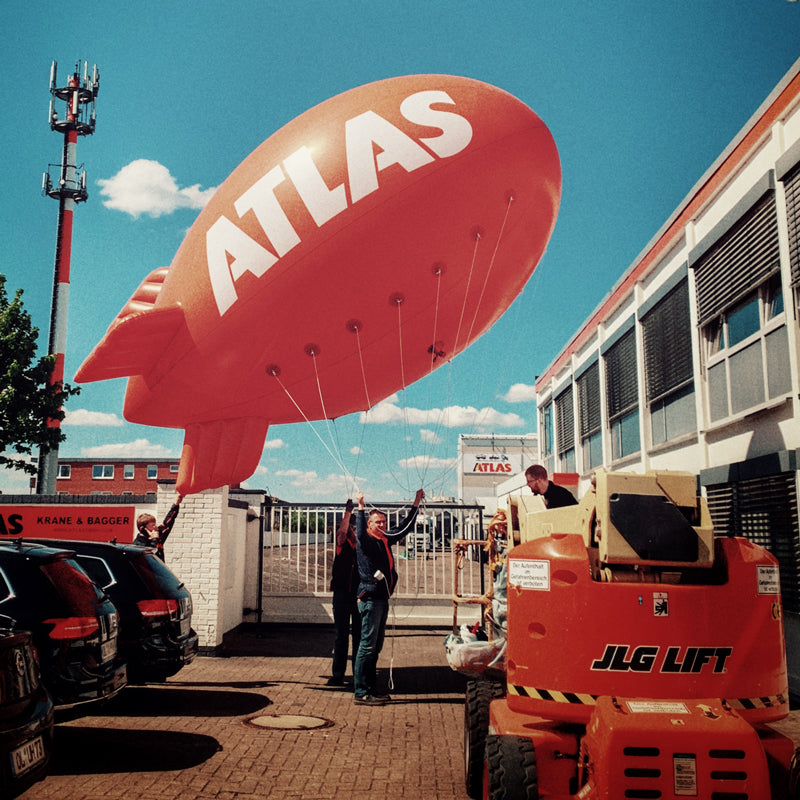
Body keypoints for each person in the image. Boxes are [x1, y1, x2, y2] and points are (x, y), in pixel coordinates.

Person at [353, 487, 425, 706]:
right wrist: (361, 507)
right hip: (370, 598)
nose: (382, 525)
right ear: (369, 525)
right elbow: (358, 530)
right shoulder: (365, 539)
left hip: (382, 599)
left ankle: (371, 689)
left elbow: (405, 527)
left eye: (384, 522)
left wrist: (416, 502)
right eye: (377, 522)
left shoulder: (385, 539)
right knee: (367, 645)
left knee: (376, 646)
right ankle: (361, 692)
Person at [328, 498, 361, 687]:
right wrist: (347, 512)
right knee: (341, 635)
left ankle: (358, 675)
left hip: (358, 596)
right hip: (341, 594)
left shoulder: (363, 545)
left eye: (356, 526)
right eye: (352, 526)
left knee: (358, 635)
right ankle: (338, 675)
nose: (354, 529)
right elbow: (340, 533)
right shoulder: (342, 543)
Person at [134, 493, 184, 561]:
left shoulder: (158, 534)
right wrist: (154, 540)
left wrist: (175, 504)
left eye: (155, 524)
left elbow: (168, 523)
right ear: (142, 529)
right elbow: (149, 557)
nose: (155, 527)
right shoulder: (138, 544)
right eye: (152, 526)